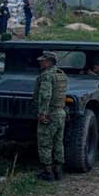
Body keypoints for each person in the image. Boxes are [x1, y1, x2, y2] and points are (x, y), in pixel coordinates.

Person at [32, 51, 68, 181]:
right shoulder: (61, 74)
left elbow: (45, 95)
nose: (40, 62)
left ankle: (48, 172)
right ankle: (58, 170)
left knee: (45, 142)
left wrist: (42, 113)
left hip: (50, 114)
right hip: (60, 112)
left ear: (49, 61)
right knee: (58, 142)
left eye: (43, 60)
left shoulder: (47, 75)